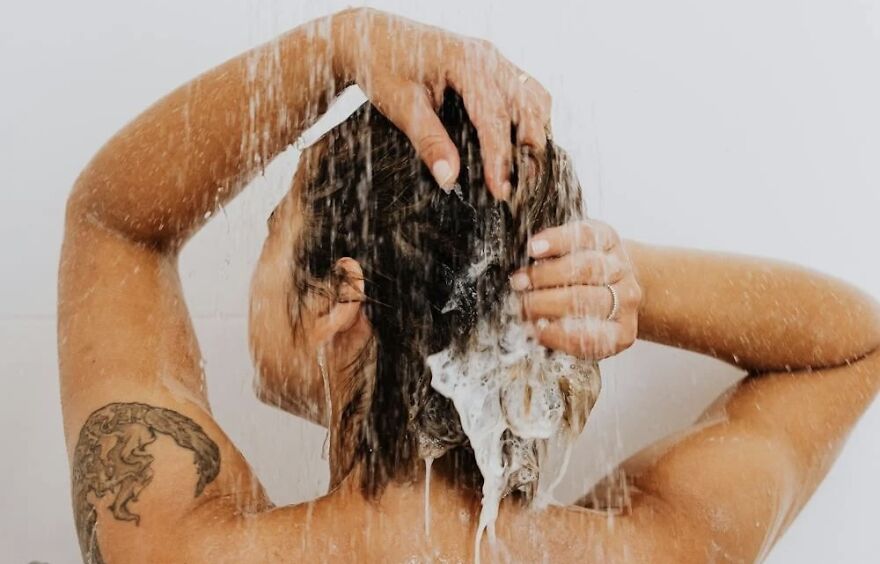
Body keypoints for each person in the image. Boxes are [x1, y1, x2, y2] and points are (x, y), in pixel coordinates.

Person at [58, 8, 880, 564]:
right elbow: (855, 346)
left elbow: (114, 224)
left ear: (338, 297)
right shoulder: (659, 548)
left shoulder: (174, 544)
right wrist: (622, 278)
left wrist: (339, 44)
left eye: (277, 229)